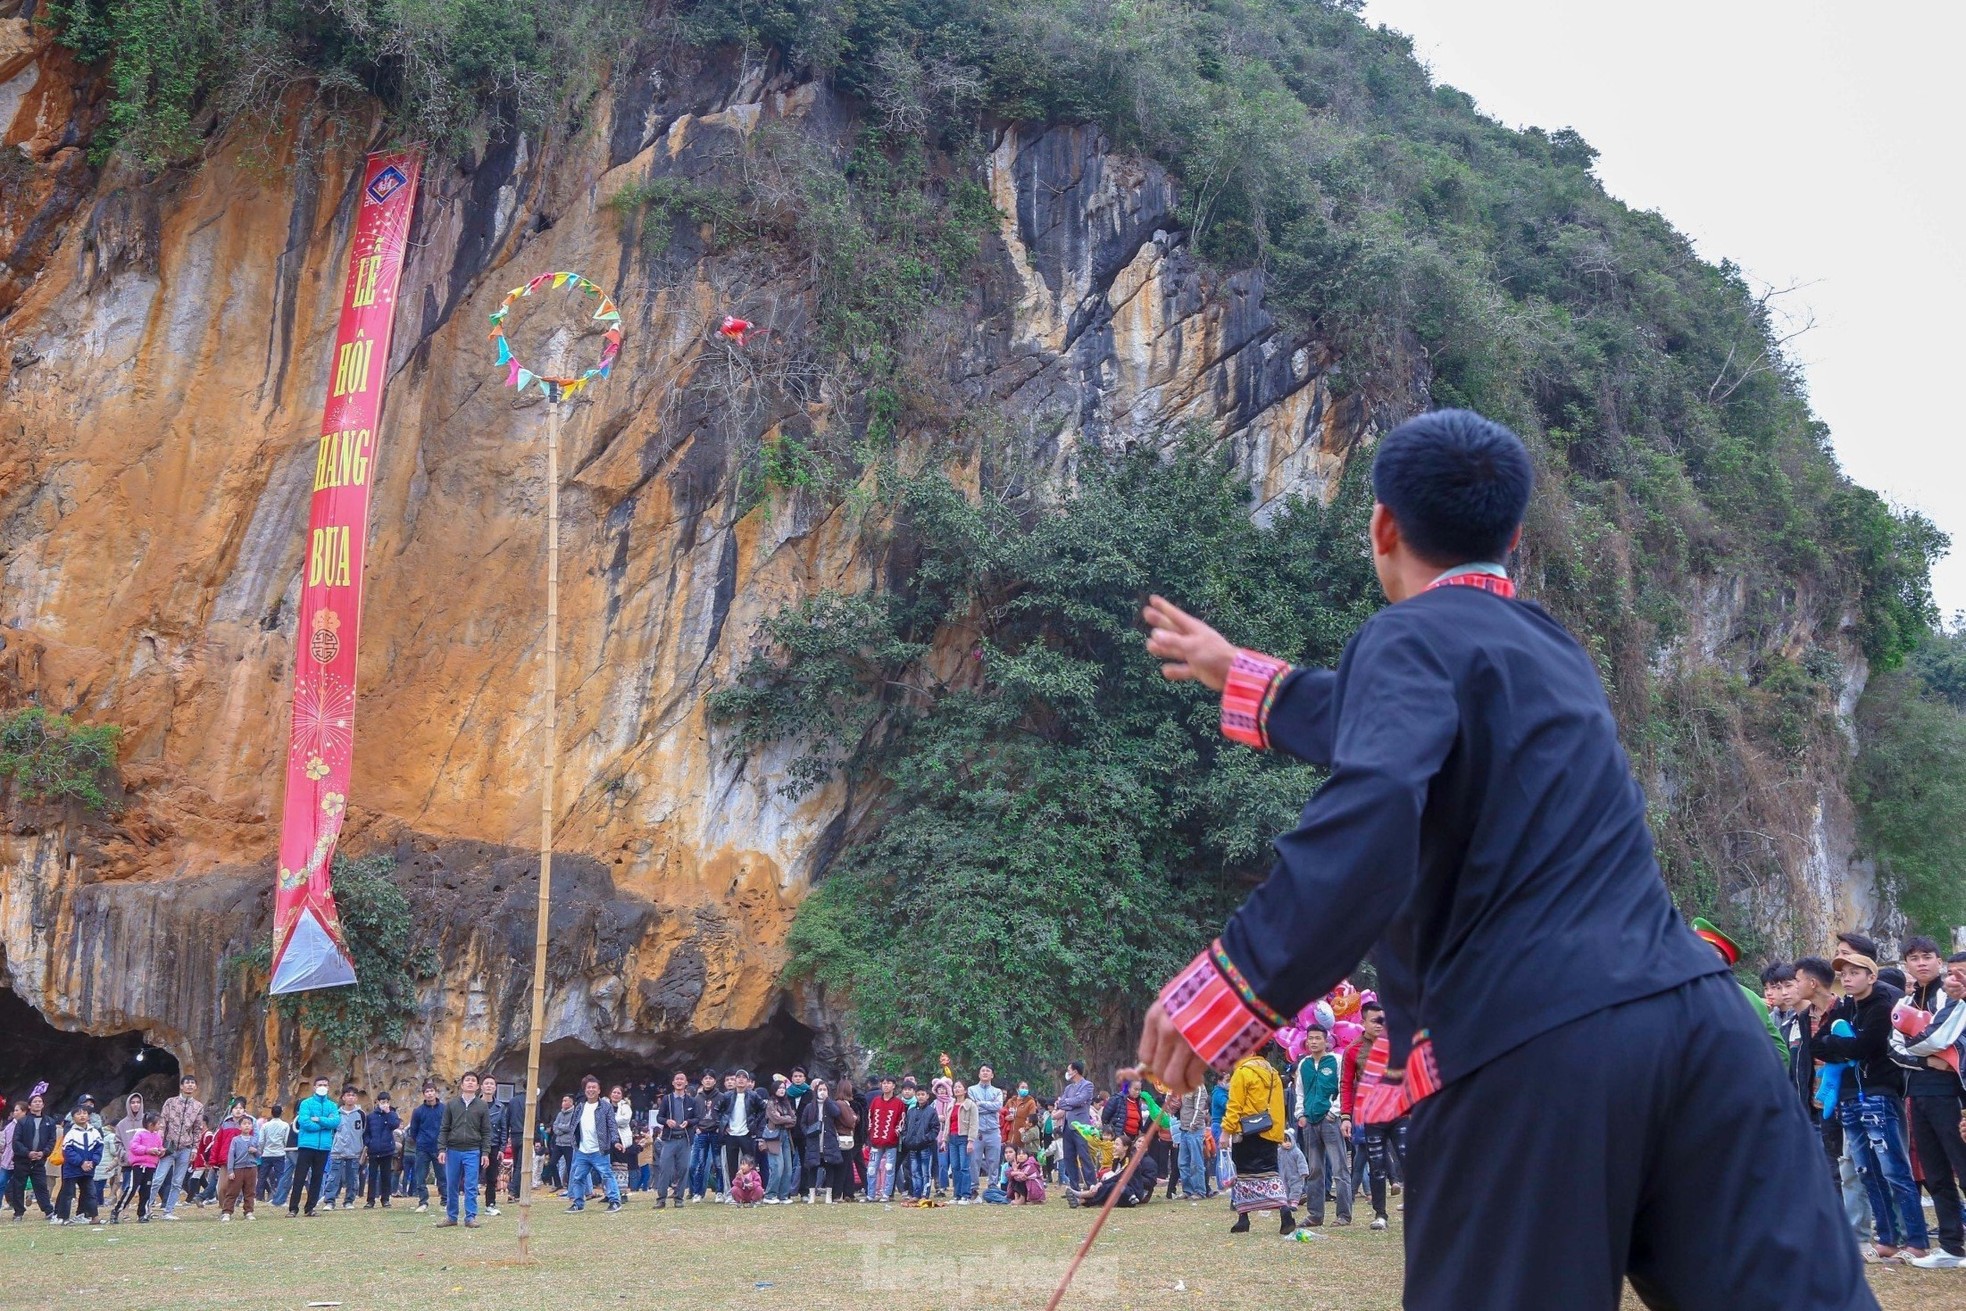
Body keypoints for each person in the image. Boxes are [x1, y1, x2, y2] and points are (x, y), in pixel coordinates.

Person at [1134, 408, 1868, 1310]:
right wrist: (1236, 669)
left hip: (1535, 1052)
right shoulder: (1555, 650)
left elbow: (1376, 805)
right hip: (1701, 1029)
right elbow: (1385, 722)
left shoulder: (1405, 639)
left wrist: (1231, 984)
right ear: (1514, 537)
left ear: (1382, 526)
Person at [1813, 949, 1928, 1261]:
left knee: (1894, 1169)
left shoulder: (1882, 1007)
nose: (1847, 979)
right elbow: (1817, 1043)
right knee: (1866, 1171)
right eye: (1844, 974)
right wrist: (1846, 1048)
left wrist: (1843, 1048)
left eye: (1854, 973)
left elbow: (1868, 1046)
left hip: (1879, 1093)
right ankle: (1887, 1240)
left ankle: (1916, 1241)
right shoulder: (1844, 1008)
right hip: (1849, 1097)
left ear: (1871, 977)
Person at [1894, 939, 1966, 1269]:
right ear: (1905, 964)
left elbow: (1941, 1038)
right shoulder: (1905, 1000)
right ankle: (1952, 1246)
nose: (1921, 963)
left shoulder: (1952, 996)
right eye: (1913, 958)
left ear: (1939, 961)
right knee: (1935, 1173)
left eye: (1927, 957)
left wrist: (1928, 1049)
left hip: (1950, 1093)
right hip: (1918, 1092)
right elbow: (1893, 1049)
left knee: (1962, 1166)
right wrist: (1927, 1059)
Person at [1294, 1025, 1351, 1226]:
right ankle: (1315, 1215)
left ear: (1326, 1041)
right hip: (1310, 1121)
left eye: (1318, 1038)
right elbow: (1300, 1091)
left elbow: (1344, 1087)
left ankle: (1343, 1215)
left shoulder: (1336, 1061)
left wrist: (1334, 1112)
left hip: (1330, 1120)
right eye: (1311, 1038)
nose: (1314, 1042)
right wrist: (1300, 1113)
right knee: (1314, 1170)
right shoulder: (1304, 1065)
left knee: (1339, 1169)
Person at [436, 1071, 492, 1227]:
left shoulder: (482, 1106)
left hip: (473, 1150)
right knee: (451, 1184)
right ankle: (452, 1217)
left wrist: (485, 1152)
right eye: (467, 1080)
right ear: (461, 1085)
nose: (470, 1083)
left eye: (473, 1081)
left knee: (471, 1185)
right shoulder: (452, 1104)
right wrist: (441, 1149)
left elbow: (486, 1131)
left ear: (478, 1086)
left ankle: (470, 1217)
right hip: (453, 1150)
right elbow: (444, 1128)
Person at [563, 1074, 622, 1214]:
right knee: (578, 1177)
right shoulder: (580, 1107)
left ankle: (614, 1201)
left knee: (606, 1175)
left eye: (594, 1087)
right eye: (588, 1088)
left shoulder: (606, 1107)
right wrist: (574, 1142)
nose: (591, 1090)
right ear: (585, 1090)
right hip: (582, 1150)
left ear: (599, 1090)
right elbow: (573, 1126)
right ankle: (578, 1203)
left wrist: (615, 1141)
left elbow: (612, 1126)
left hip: (599, 1150)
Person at [153, 1073, 206, 1219]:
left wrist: (195, 1148)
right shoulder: (170, 1102)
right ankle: (146, 1208)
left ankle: (168, 1211)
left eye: (192, 1083)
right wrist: (160, 1143)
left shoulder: (198, 1106)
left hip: (186, 1147)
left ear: (195, 1087)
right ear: (181, 1086)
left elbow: (197, 1128)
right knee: (158, 1179)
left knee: (177, 1182)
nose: (189, 1085)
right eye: (187, 1083)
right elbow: (163, 1124)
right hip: (168, 1147)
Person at [288, 1077, 339, 1218]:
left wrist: (318, 1119)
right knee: (299, 1177)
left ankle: (310, 1208)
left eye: (325, 1085)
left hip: (323, 1147)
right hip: (306, 1145)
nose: (322, 1087)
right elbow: (304, 1122)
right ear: (314, 1087)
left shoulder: (332, 1106)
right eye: (320, 1085)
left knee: (317, 1178)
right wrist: (324, 1124)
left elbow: (335, 1122)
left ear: (328, 1087)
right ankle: (293, 1208)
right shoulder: (306, 1103)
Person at [8, 1090, 58, 1219]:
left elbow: (52, 1140)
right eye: (35, 1102)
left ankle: (48, 1211)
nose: (37, 1104)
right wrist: (27, 1153)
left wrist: (44, 1153)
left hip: (39, 1161)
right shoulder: (23, 1122)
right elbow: (16, 1141)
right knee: (19, 1186)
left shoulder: (50, 1122)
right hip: (22, 1160)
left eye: (40, 1101)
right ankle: (18, 1212)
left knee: (41, 1186)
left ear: (43, 1105)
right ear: (29, 1106)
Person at [651, 1072, 696, 1208]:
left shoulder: (691, 1101)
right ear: (673, 1082)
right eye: (677, 1079)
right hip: (669, 1139)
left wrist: (688, 1122)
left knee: (683, 1169)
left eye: (682, 1079)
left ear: (686, 1083)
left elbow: (697, 1118)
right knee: (664, 1168)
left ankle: (679, 1198)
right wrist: (667, 1121)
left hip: (685, 1139)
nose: (679, 1081)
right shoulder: (667, 1099)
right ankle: (661, 1199)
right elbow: (659, 1117)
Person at [718, 1070, 763, 1204]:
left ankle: (753, 1193)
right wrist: (723, 1126)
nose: (741, 1080)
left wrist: (753, 1124)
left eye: (744, 1077)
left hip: (746, 1133)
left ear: (749, 1081)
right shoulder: (727, 1096)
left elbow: (763, 1109)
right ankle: (734, 1194)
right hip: (731, 1134)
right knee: (732, 1165)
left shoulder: (753, 1096)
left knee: (750, 1164)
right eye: (739, 1077)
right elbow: (717, 1111)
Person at [54, 1104, 104, 1225]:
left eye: (84, 1113)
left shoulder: (95, 1132)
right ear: (73, 1117)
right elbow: (68, 1151)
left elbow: (99, 1149)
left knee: (90, 1193)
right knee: (68, 1193)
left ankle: (93, 1216)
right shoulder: (71, 1133)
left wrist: (93, 1162)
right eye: (78, 1114)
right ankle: (63, 1218)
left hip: (88, 1169)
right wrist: (81, 1162)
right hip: (72, 1169)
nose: (82, 1116)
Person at [798, 1078, 846, 1203]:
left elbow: (837, 1113)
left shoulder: (831, 1105)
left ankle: (829, 1195)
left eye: (824, 1090)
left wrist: (827, 1101)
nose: (822, 1092)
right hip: (814, 1141)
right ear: (815, 1091)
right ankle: (812, 1194)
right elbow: (802, 1123)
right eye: (820, 1090)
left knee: (830, 1167)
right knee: (812, 1168)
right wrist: (807, 1133)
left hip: (828, 1140)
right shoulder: (809, 1107)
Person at [111, 1111, 161, 1223]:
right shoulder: (140, 1134)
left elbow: (159, 1147)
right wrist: (148, 1150)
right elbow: (133, 1147)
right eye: (158, 1123)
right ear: (150, 1124)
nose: (160, 1125)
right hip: (139, 1165)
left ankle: (142, 1214)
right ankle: (116, 1211)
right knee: (131, 1189)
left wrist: (161, 1152)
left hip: (151, 1166)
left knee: (146, 1190)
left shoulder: (157, 1136)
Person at [864, 1074, 905, 1202]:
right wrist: (870, 1133)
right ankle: (871, 1194)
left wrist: (895, 1133)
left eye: (889, 1083)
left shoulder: (899, 1104)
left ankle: (886, 1194)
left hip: (891, 1142)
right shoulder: (875, 1101)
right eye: (884, 1083)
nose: (886, 1085)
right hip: (875, 1141)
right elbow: (869, 1118)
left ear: (893, 1086)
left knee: (889, 1168)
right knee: (871, 1168)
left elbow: (901, 1121)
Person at [1055, 1062, 1095, 1191]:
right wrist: (1070, 1103)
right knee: (1069, 1157)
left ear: (1075, 1071)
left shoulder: (1087, 1085)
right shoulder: (1068, 1088)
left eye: (1069, 1070)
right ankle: (1074, 1186)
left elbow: (1081, 1100)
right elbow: (1062, 1105)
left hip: (1081, 1127)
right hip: (1067, 1126)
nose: (1067, 1072)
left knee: (1084, 1155)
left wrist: (1067, 1102)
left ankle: (1091, 1184)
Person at [324, 1085, 365, 1210]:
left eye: (353, 1095)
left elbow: (364, 1132)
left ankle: (349, 1201)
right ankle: (330, 1201)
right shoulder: (336, 1114)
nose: (351, 1098)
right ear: (343, 1097)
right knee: (333, 1177)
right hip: (337, 1150)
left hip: (354, 1151)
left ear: (356, 1098)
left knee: (352, 1178)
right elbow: (331, 1131)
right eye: (348, 1095)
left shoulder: (361, 1114)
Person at [407, 1084, 445, 1213]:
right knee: (420, 1176)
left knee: (442, 1176)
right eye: (427, 1091)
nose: (430, 1094)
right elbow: (413, 1130)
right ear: (423, 1094)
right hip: (423, 1148)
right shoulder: (418, 1111)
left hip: (439, 1148)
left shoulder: (444, 1109)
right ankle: (423, 1202)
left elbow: (448, 1127)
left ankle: (445, 1201)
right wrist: (420, 1141)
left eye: (432, 1091)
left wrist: (443, 1146)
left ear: (436, 1092)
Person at [968, 1066, 1006, 1190]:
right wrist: (989, 1106)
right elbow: (973, 1107)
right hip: (977, 1131)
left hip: (993, 1130)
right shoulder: (971, 1090)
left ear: (992, 1075)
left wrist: (981, 1104)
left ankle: (993, 1186)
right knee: (974, 1161)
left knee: (994, 1161)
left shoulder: (997, 1091)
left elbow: (998, 1106)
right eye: (982, 1071)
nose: (985, 1073)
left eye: (988, 1071)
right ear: (979, 1074)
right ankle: (974, 1187)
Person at [688, 1071, 723, 1200]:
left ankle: (720, 1191)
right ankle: (697, 1193)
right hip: (701, 1132)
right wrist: (696, 1128)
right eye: (705, 1078)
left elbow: (724, 1114)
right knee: (700, 1164)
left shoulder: (721, 1097)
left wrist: (721, 1128)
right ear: (702, 1081)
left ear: (715, 1081)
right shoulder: (697, 1098)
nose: (708, 1080)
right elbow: (692, 1116)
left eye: (710, 1078)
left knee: (718, 1164)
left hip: (715, 1133)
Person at [218, 1112, 259, 1221]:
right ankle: (227, 1212)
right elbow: (231, 1155)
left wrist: (255, 1151)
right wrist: (230, 1170)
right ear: (240, 1127)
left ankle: (249, 1211)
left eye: (249, 1124)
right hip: (238, 1168)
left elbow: (259, 1154)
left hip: (251, 1168)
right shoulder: (236, 1140)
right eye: (244, 1124)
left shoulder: (254, 1140)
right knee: (232, 1191)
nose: (247, 1126)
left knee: (250, 1191)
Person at [363, 1092, 400, 1208]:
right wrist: (369, 1143)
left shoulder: (392, 1114)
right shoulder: (370, 1117)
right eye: (382, 1102)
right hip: (373, 1151)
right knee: (372, 1176)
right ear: (378, 1102)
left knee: (386, 1176)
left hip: (387, 1150)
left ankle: (385, 1199)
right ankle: (370, 1200)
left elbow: (394, 1125)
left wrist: (388, 1113)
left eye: (387, 1102)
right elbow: (366, 1133)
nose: (385, 1104)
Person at [258, 1104, 291, 1204]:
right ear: (281, 1113)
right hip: (279, 1154)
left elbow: (261, 1141)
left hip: (267, 1154)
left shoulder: (265, 1125)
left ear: (271, 1113)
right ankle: (280, 1197)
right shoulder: (285, 1125)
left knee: (262, 1176)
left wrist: (263, 1150)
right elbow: (286, 1140)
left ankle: (259, 1197)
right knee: (281, 1176)